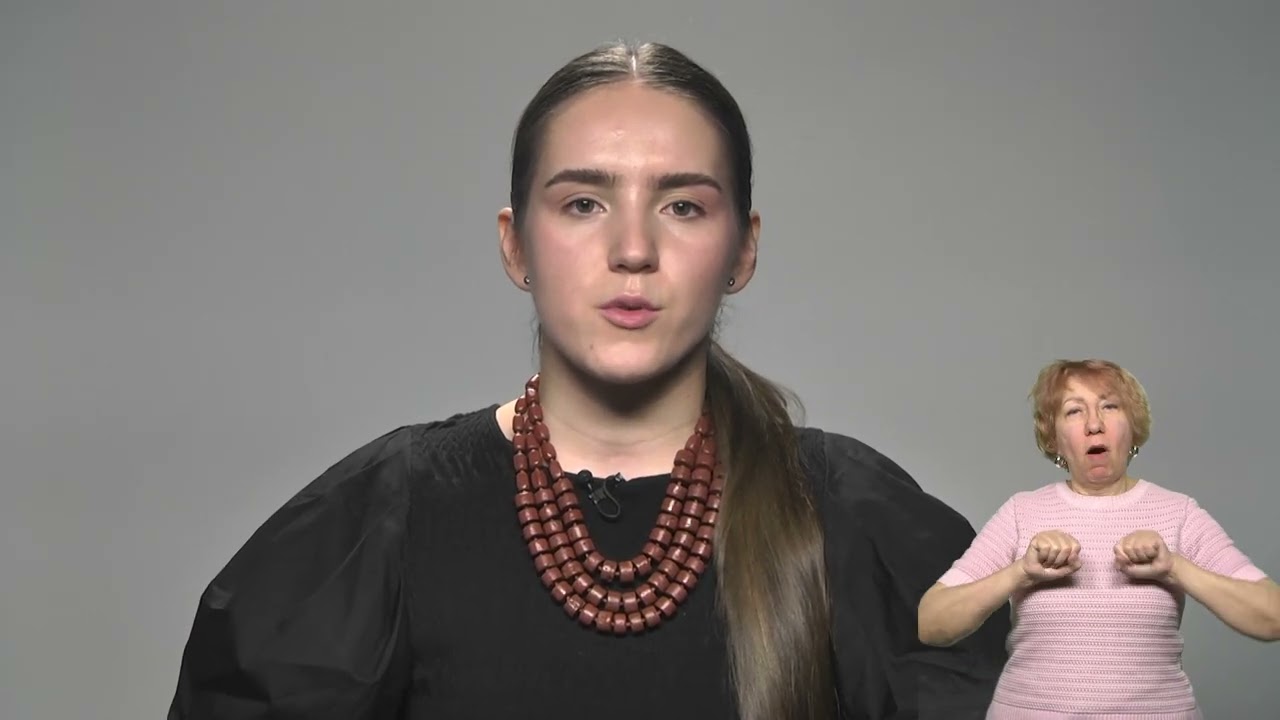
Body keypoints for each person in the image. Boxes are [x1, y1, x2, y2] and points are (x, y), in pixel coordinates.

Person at [168, 41, 1010, 720]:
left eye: (683, 206)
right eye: (583, 204)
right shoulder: (388, 519)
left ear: (743, 250)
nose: (632, 250)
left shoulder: (852, 517)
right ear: (515, 246)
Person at [918, 358, 1279, 719]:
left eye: (1110, 406)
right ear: (1054, 438)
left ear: (1132, 427)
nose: (1094, 424)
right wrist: (1020, 573)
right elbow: (932, 623)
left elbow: (1272, 616)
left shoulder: (1179, 512)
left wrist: (1174, 568)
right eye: (1074, 411)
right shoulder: (1020, 512)